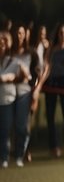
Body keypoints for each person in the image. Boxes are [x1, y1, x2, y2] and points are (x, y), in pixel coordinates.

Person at [43, 23, 64, 160]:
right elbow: (47, 65)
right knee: (50, 116)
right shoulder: (52, 49)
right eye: (62, 33)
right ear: (58, 34)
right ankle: (54, 147)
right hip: (52, 83)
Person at [0, 31, 32, 168]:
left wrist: (10, 78)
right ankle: (4, 157)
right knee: (4, 130)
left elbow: (27, 76)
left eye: (3, 43)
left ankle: (17, 156)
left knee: (15, 128)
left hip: (10, 98)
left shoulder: (13, 61)